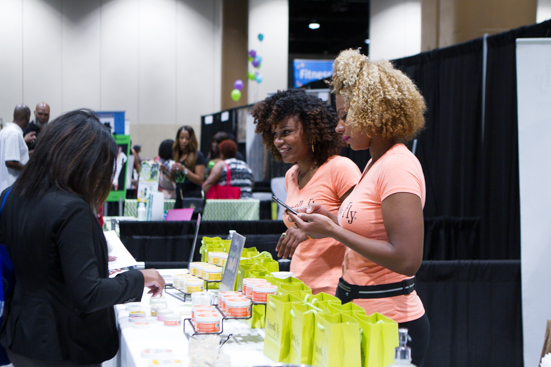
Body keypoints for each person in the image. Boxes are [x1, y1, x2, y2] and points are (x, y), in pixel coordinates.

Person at [289, 49, 429, 366]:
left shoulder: (398, 167)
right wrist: (331, 217)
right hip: (360, 315)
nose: (339, 127)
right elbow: (372, 229)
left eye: (345, 115)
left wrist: (335, 232)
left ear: (374, 113)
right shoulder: (373, 164)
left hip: (392, 326)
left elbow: (407, 259)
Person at [0, 109, 165, 366]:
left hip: (21, 335)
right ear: (84, 163)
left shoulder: (13, 196)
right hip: (61, 344)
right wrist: (140, 278)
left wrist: (87, 254)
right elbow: (87, 295)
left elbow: (37, 254)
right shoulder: (71, 207)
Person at [251, 89, 361, 295]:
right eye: (275, 134)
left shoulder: (340, 168)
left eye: (286, 132)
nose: (278, 141)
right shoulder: (291, 175)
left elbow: (361, 229)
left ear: (311, 131)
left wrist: (312, 230)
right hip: (299, 287)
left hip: (333, 291)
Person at [169, 125, 205, 207]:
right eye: (181, 138)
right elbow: (176, 180)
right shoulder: (176, 155)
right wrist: (166, 172)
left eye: (187, 138)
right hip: (179, 196)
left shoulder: (198, 156)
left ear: (191, 140)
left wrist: (183, 170)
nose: (184, 141)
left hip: (193, 197)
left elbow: (199, 180)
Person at [0, 105, 31, 193]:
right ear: (28, 116)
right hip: (11, 187)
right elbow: (10, 162)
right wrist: (29, 170)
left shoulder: (4, 131)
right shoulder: (14, 133)